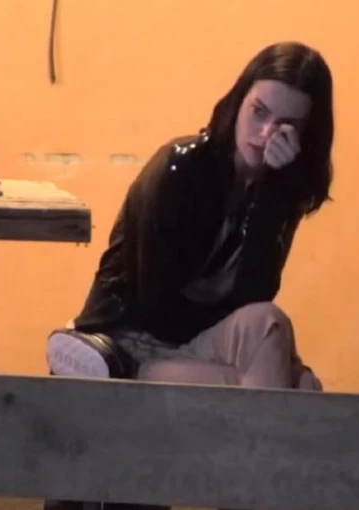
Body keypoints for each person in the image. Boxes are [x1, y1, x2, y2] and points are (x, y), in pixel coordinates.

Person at [44, 40, 333, 509]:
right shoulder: (181, 167)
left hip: (192, 343)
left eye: (286, 127)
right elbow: (153, 300)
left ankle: (123, 377)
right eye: (258, 112)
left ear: (305, 137)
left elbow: (255, 295)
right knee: (296, 390)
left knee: (271, 325)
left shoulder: (284, 192)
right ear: (239, 100)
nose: (265, 133)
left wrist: (272, 194)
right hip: (131, 333)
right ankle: (118, 369)